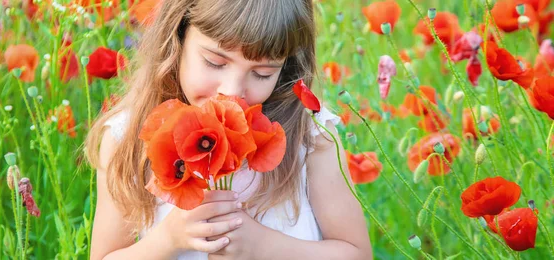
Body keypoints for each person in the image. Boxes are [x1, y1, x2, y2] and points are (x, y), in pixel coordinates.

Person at [85, 0, 372, 259]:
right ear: (178, 36)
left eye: (262, 73)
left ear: (286, 67)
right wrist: (167, 239)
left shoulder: (311, 138)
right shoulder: (127, 136)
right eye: (215, 62)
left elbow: (356, 253)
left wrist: (263, 246)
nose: (232, 92)